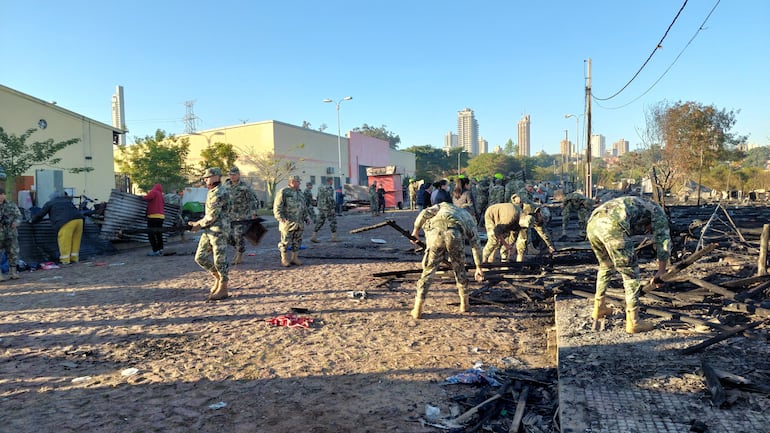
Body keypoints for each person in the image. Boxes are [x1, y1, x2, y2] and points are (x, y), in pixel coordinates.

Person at [586, 196, 671, 333]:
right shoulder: (659, 213)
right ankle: (634, 322)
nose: (648, 231)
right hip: (612, 225)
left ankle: (599, 307)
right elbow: (664, 242)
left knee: (605, 266)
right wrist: (662, 270)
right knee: (631, 273)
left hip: (593, 224)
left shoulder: (641, 204)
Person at [409, 202, 484, 319]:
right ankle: (464, 304)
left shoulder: (443, 206)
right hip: (455, 235)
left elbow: (424, 213)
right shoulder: (468, 217)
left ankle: (418, 308)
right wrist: (479, 267)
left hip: (435, 234)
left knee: (428, 271)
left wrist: (415, 230)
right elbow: (476, 244)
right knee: (459, 269)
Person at [189, 168, 231, 301]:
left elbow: (213, 215)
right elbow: (209, 215)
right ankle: (218, 278)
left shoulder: (220, 192)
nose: (206, 179)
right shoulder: (212, 191)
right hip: (209, 230)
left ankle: (223, 288)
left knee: (220, 259)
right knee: (200, 257)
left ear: (216, 177)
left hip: (219, 230)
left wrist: (198, 225)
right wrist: (198, 223)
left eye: (208, 177)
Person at [31, 191, 84, 265]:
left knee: (65, 241)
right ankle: (74, 258)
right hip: (79, 220)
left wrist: (32, 221)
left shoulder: (50, 203)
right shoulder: (67, 201)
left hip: (66, 222)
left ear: (52, 198)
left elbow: (41, 214)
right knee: (76, 241)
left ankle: (65, 260)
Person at [273, 175, 310, 267]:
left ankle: (294, 258)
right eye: (298, 182)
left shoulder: (300, 193)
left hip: (299, 222)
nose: (299, 183)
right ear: (292, 182)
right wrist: (279, 217)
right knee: (285, 241)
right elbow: (277, 205)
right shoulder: (284, 192)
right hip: (287, 221)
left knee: (297, 240)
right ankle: (284, 259)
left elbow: (303, 207)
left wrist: (306, 217)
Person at [225, 166, 259, 265]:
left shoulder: (245, 187)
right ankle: (239, 249)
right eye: (230, 175)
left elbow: (252, 200)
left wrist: (253, 213)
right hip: (229, 216)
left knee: (238, 236)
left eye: (234, 175)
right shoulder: (226, 186)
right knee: (227, 236)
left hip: (242, 216)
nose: (232, 176)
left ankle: (239, 255)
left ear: (239, 175)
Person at [0, 188, 22, 281]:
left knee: (13, 253)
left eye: (2, 194)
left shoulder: (11, 205)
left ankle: (13, 272)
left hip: (11, 233)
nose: (1, 196)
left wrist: (16, 223)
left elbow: (19, 216)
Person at [311, 177, 338, 243]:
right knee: (333, 222)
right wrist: (332, 207)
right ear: (330, 181)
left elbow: (318, 196)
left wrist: (318, 205)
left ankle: (314, 236)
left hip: (321, 208)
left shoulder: (320, 187)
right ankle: (334, 237)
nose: (332, 182)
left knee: (319, 222)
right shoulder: (329, 188)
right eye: (332, 181)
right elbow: (330, 198)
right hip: (327, 208)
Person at [142, 183, 165, 256]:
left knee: (151, 234)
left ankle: (155, 250)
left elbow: (147, 198)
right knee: (159, 233)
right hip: (161, 217)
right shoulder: (161, 195)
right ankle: (160, 248)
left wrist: (142, 197)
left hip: (153, 216)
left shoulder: (154, 192)